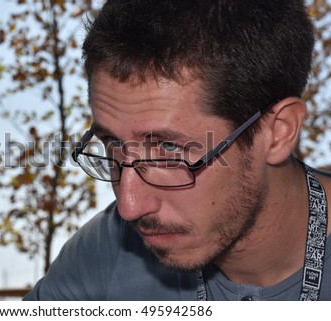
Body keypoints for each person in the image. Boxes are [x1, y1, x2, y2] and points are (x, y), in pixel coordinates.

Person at [24, 0, 331, 300]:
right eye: (114, 144)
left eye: (169, 149)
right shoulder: (103, 254)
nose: (129, 207)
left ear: (278, 132)